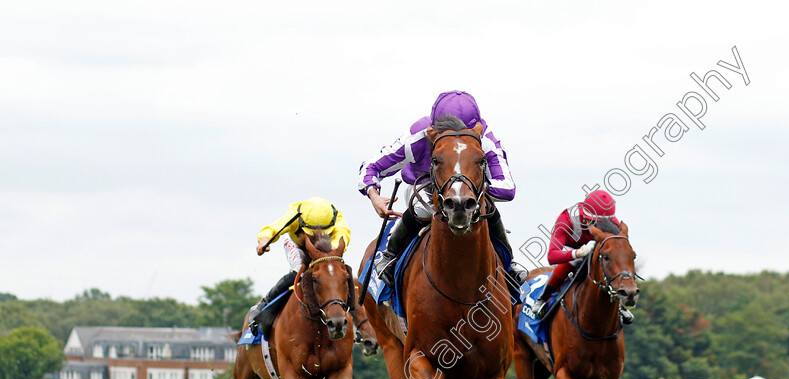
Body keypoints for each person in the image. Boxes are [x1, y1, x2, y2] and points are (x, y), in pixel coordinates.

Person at [358, 90, 518, 288]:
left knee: (488, 207)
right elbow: (371, 167)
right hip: (424, 186)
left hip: (471, 194)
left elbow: (507, 188)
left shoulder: (485, 139)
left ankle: (509, 266)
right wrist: (374, 195)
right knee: (421, 208)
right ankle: (389, 257)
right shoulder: (418, 137)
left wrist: (467, 189)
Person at [247, 197, 351, 335]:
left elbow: (342, 236)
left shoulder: (336, 216)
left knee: (336, 273)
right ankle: (263, 305)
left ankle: (356, 321)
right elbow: (272, 228)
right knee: (299, 272)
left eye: (322, 229)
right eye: (311, 230)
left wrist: (329, 258)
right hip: (297, 244)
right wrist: (264, 240)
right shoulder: (294, 214)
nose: (316, 233)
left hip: (325, 247)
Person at [531, 189, 633, 323]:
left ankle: (620, 304)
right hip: (571, 251)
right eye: (595, 223)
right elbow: (552, 256)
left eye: (603, 223)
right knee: (574, 262)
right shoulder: (566, 220)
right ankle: (543, 299)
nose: (600, 227)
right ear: (586, 217)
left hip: (596, 250)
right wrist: (578, 253)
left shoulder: (612, 221)